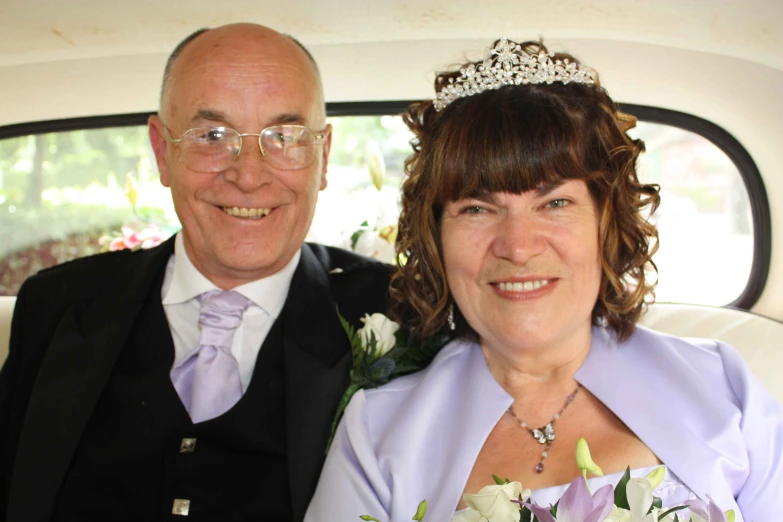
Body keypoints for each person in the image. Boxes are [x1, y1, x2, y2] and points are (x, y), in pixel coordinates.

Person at [305, 39, 783, 522]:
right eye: (476, 208)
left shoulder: (725, 389)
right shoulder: (377, 433)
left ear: (606, 221)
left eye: (554, 202)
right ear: (436, 237)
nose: (517, 245)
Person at [0, 24, 390, 522]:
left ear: (324, 156)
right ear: (163, 151)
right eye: (212, 136)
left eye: (285, 137)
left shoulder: (395, 312)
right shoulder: (57, 306)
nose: (249, 174)